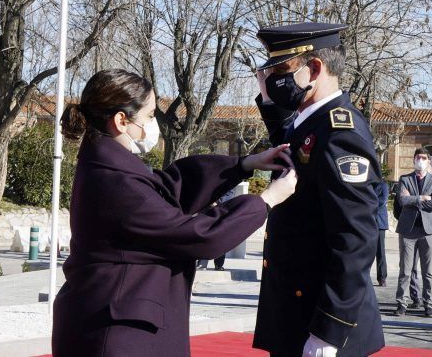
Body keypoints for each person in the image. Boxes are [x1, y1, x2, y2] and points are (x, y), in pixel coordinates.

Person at [51, 69, 298, 356]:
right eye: (150, 115)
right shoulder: (114, 180)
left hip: (110, 319)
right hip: (116, 333)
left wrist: (245, 164)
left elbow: (168, 189)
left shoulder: (109, 164)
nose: (153, 124)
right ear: (121, 120)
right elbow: (194, 235)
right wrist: (265, 200)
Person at [252, 22, 384, 357]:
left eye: (281, 70)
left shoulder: (341, 132)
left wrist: (329, 330)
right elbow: (293, 143)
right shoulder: (312, 121)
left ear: (313, 69)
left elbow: (355, 240)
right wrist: (270, 101)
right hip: (296, 311)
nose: (273, 79)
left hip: (320, 321)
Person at [394, 148, 432, 318]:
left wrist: (413, 199)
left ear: (429, 161)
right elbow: (402, 200)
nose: (420, 160)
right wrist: (422, 198)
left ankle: (429, 305)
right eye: (418, 157)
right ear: (413, 160)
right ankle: (402, 303)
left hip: (429, 231)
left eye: (423, 158)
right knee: (406, 270)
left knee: (428, 271)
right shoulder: (405, 179)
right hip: (408, 229)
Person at [375, 179, 389, 287]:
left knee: (380, 251)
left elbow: (383, 201)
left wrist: (368, 204)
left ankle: (382, 277)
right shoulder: (367, 184)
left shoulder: (383, 184)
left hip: (379, 222)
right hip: (366, 222)